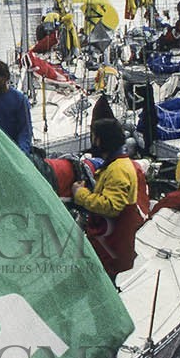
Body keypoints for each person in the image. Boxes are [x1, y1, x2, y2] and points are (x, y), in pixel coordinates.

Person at [69, 118, 150, 278]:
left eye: (94, 136)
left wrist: (80, 194)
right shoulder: (119, 164)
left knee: (105, 277)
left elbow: (111, 206)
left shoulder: (118, 169)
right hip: (111, 242)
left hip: (112, 243)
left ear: (101, 140)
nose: (93, 141)